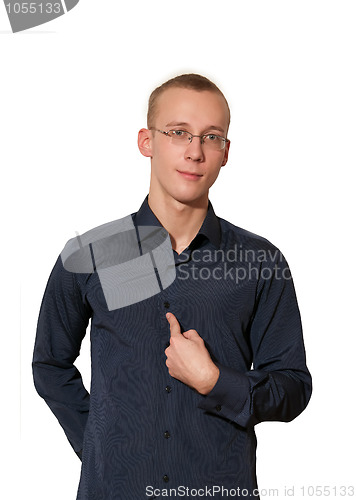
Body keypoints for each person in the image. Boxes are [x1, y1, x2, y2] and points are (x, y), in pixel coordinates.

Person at [32, 73, 312, 499]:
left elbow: (293, 387)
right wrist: (98, 447)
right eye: (179, 133)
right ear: (147, 141)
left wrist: (216, 382)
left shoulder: (260, 262)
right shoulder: (89, 255)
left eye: (211, 137)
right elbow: (50, 364)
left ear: (225, 153)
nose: (195, 151)